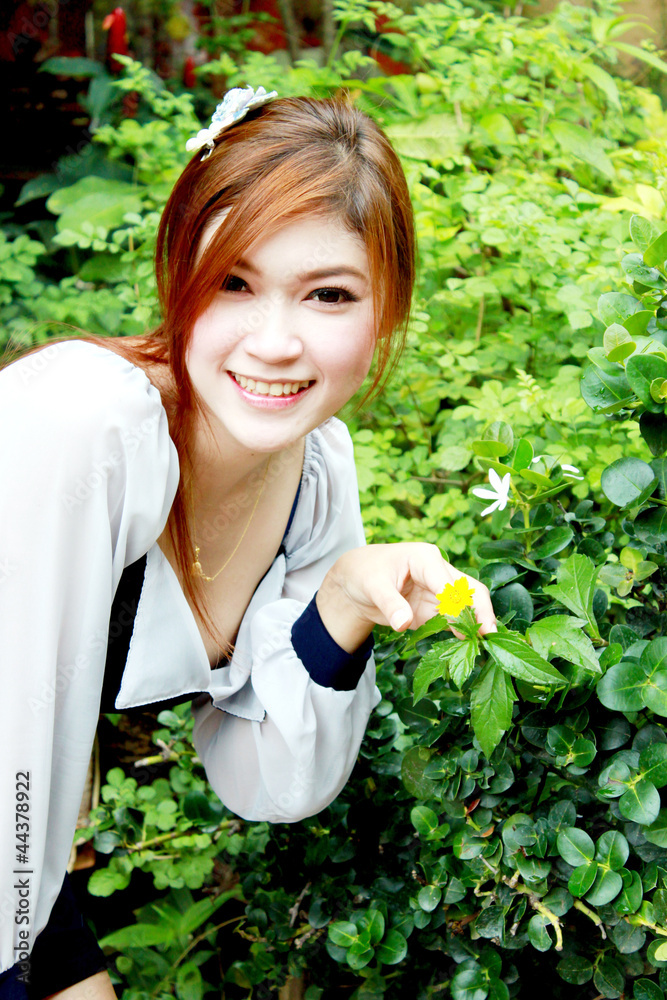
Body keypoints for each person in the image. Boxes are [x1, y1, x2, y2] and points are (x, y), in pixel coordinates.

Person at [0, 87, 495, 998]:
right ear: (178, 277)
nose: (274, 343)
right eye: (233, 282)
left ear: (387, 311)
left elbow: (269, 781)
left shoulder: (314, 475)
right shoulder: (82, 423)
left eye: (328, 295)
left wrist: (339, 606)